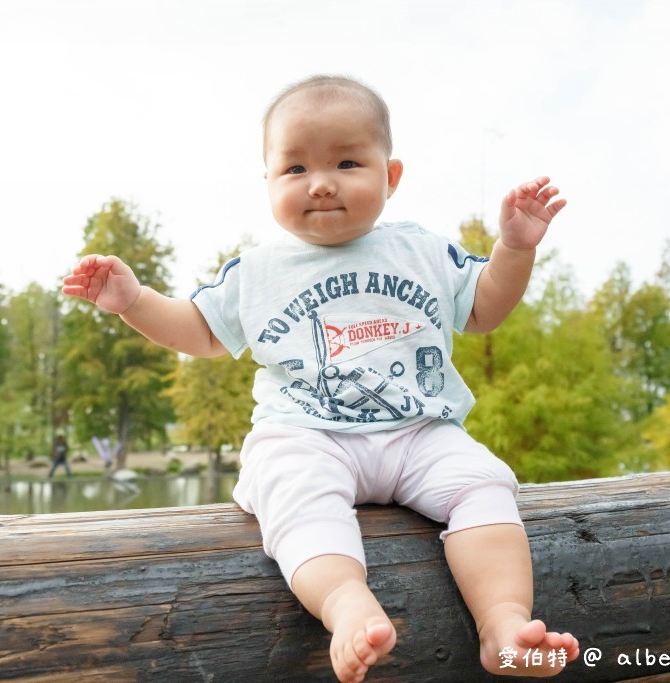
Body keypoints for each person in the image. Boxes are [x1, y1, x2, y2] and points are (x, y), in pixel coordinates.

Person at [63, 75, 579, 681]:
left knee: (485, 486)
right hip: (305, 435)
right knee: (295, 493)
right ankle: (345, 604)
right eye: (295, 168)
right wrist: (134, 300)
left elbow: (484, 309)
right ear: (267, 182)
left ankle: (503, 625)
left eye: (346, 161)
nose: (322, 181)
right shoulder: (255, 272)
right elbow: (198, 332)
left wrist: (513, 250)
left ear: (391, 177)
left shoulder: (423, 252)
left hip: (421, 431)